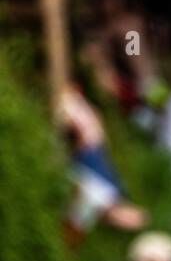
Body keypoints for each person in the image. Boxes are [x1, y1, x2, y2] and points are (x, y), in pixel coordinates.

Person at [58, 84, 149, 244]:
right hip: (89, 152)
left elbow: (72, 230)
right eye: (129, 217)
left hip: (81, 156)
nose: (124, 220)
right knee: (92, 133)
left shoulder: (92, 208)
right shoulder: (111, 195)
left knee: (90, 133)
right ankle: (73, 98)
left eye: (126, 222)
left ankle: (72, 100)